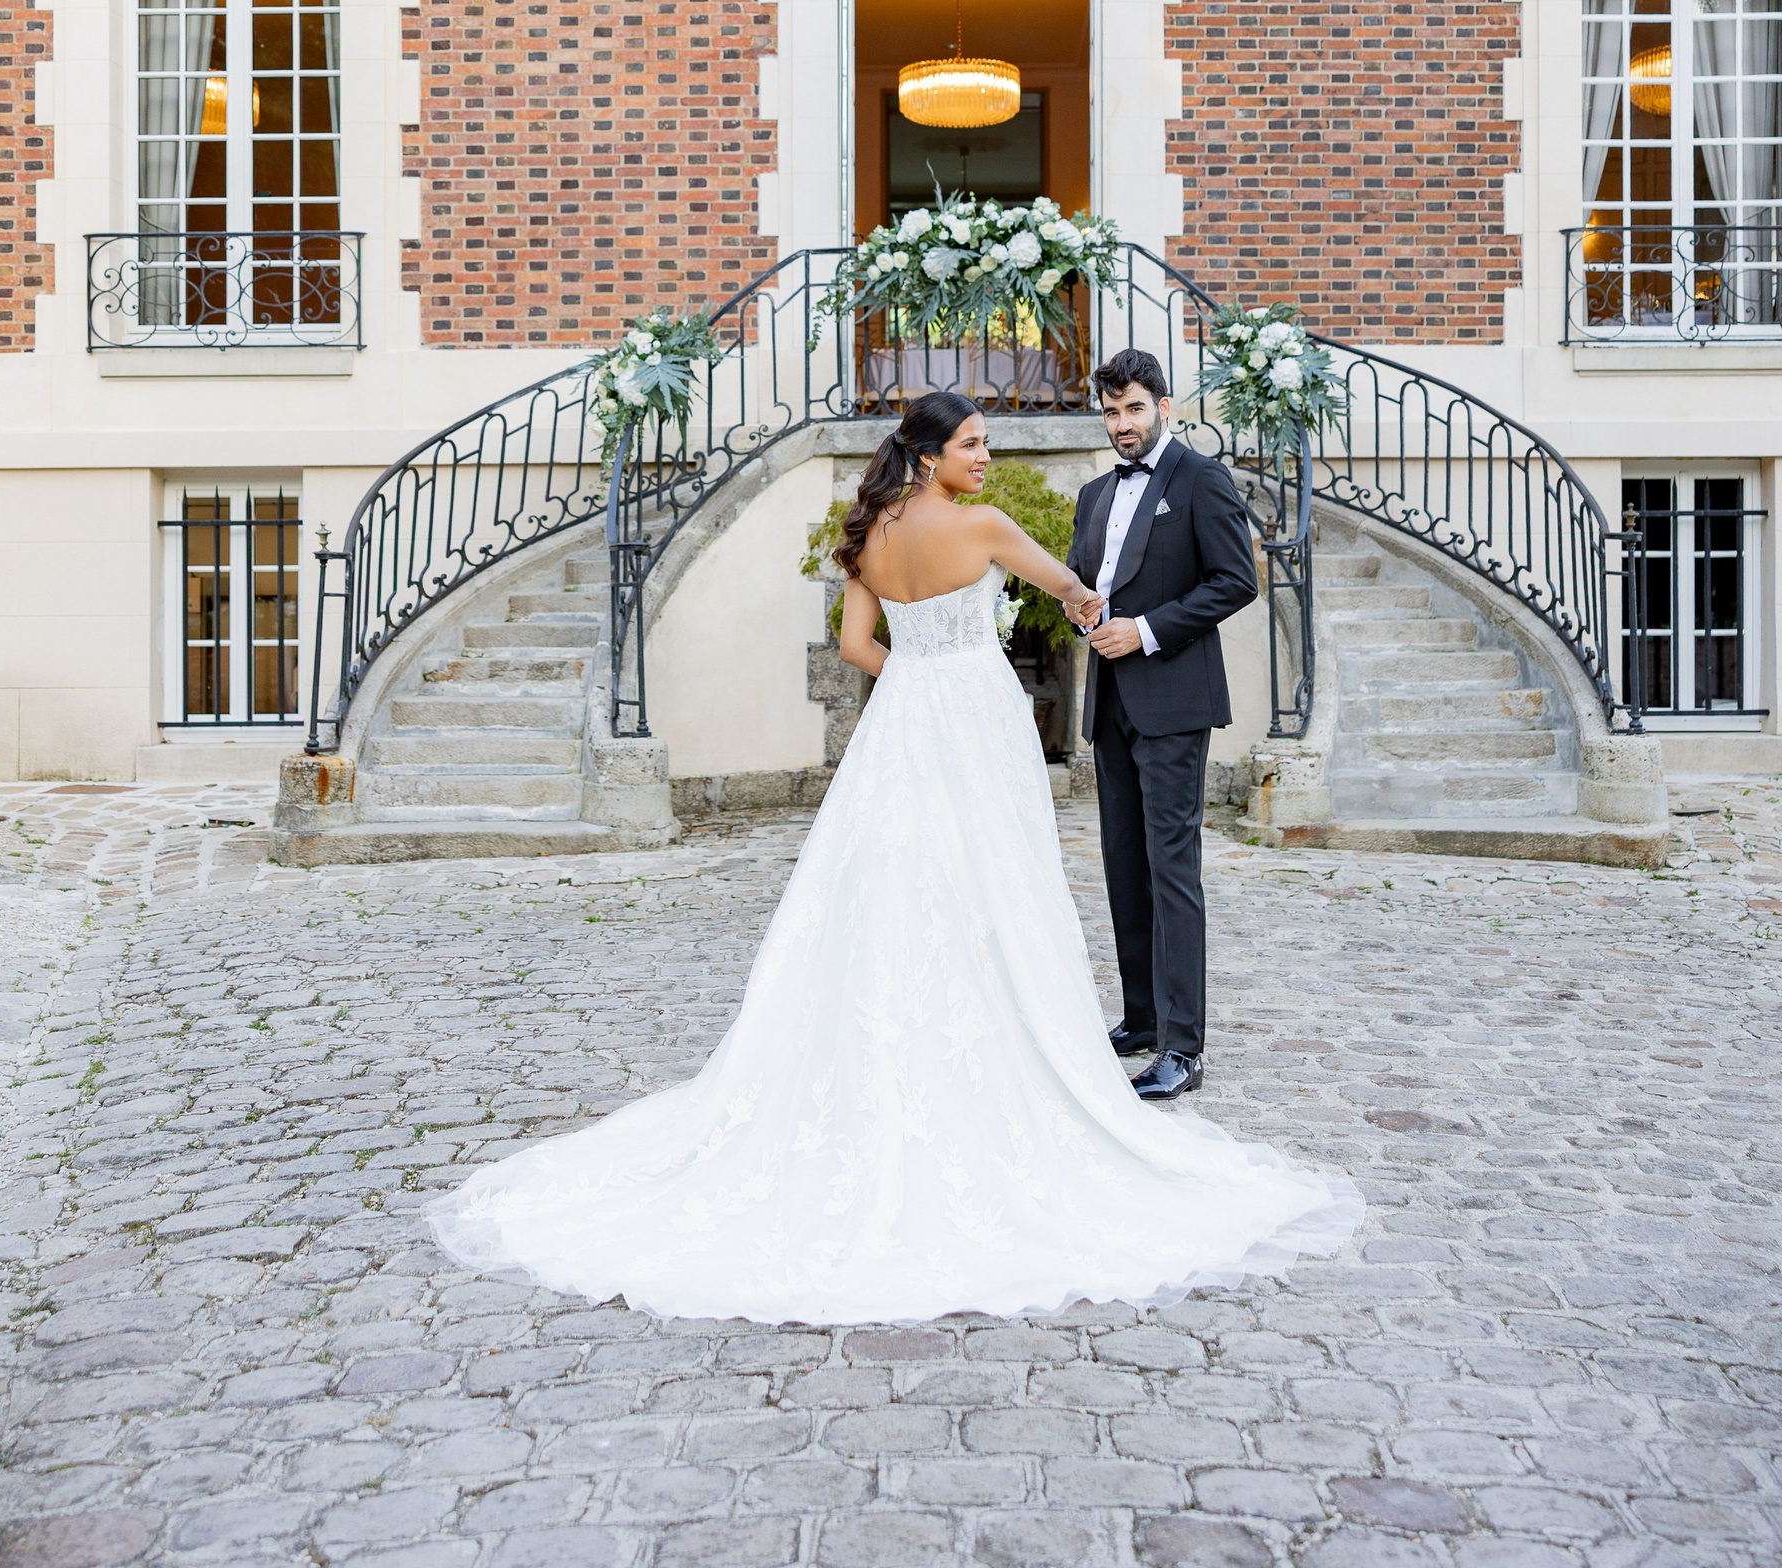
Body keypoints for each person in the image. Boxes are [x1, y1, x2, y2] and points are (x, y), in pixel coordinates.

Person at [429, 389, 1359, 1323]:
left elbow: (852, 646)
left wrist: (919, 671)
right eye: (973, 444)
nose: (986, 458)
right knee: (993, 879)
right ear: (929, 455)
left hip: (906, 717)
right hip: (978, 717)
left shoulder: (866, 533)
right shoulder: (985, 527)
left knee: (893, 876)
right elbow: (1080, 596)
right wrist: (1087, 624)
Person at [1069, 347, 1258, 1103]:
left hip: (1174, 700)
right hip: (1110, 699)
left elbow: (1235, 581)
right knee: (1123, 864)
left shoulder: (1201, 478)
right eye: (1111, 412)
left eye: (1134, 409)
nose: (1122, 424)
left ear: (1164, 407)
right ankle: (1142, 1018)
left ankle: (1184, 1046)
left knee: (1171, 866)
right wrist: (1081, 609)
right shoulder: (1093, 493)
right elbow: (1087, 580)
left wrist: (1145, 631)